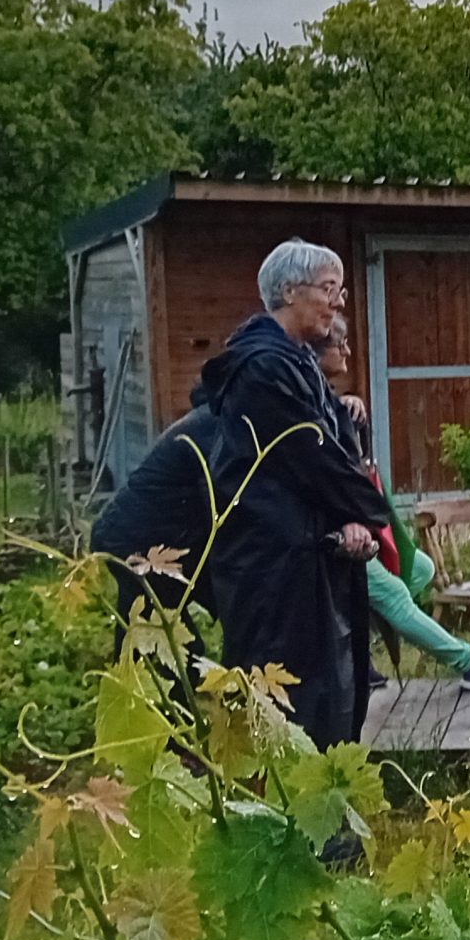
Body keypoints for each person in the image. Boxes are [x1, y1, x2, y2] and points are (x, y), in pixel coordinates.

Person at [199, 240, 390, 750]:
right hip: (274, 564)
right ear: (288, 291)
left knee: (334, 694)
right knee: (294, 705)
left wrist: (352, 519)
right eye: (330, 289)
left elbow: (338, 444)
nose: (339, 303)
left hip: (311, 553)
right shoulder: (263, 367)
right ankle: (296, 823)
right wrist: (368, 513)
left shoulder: (298, 361)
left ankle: (326, 819)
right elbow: (310, 454)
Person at [312, 322, 470, 694]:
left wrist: (347, 404)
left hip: (352, 523)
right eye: (340, 344)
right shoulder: (307, 398)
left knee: (420, 569)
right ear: (317, 351)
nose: (347, 351)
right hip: (336, 532)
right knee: (393, 594)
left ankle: (357, 656)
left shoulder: (323, 397)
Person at [91, 388, 218, 627]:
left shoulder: (207, 417)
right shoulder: (214, 426)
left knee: (144, 633)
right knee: (166, 647)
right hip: (135, 540)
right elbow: (218, 504)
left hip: (134, 534)